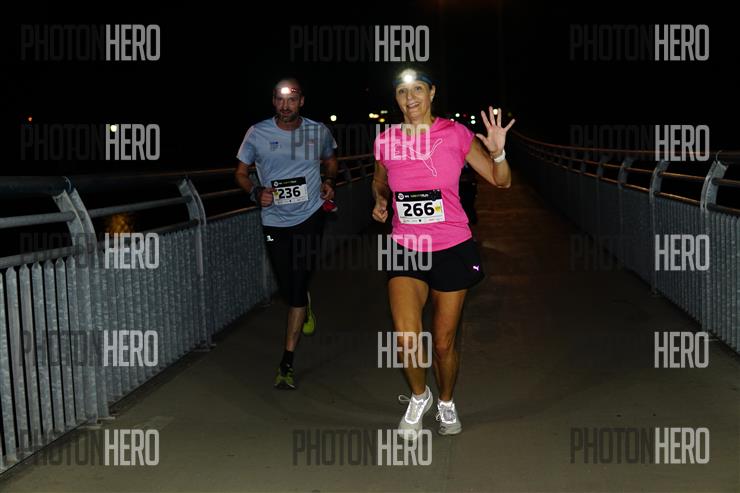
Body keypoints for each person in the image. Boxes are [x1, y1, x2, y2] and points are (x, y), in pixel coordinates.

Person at [372, 68, 514, 438]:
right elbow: (380, 180)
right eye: (402, 91)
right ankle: (420, 397)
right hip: (406, 246)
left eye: (417, 89)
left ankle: (446, 401)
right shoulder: (386, 140)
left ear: (432, 92)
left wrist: (498, 153)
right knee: (406, 337)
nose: (410, 98)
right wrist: (381, 200)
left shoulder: (455, 134)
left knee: (443, 343)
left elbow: (501, 181)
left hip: (452, 246)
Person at [234, 77, 338, 390]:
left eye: (292, 99)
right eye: (280, 99)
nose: (285, 105)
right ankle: (301, 298)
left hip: (310, 216)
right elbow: (240, 172)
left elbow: (331, 160)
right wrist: (255, 192)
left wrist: (329, 181)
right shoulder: (257, 132)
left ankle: (286, 363)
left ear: (301, 101)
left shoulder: (318, 131)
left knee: (296, 286)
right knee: (287, 287)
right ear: (273, 102)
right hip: (274, 221)